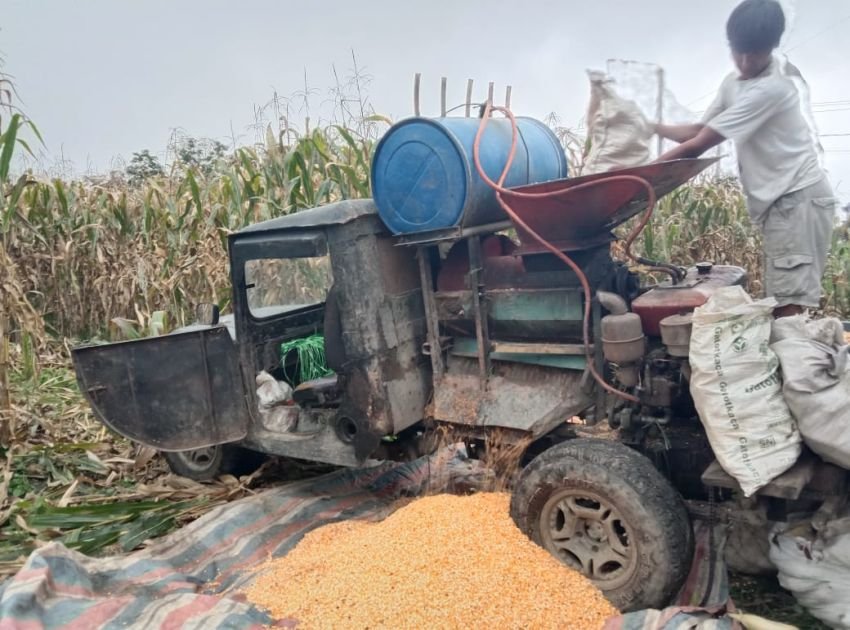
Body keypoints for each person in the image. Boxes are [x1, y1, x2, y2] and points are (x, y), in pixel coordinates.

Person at [654, 0, 838, 318]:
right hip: (780, 204)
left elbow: (698, 145)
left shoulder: (773, 88)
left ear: (772, 47)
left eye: (754, 53)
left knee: (787, 306)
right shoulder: (733, 84)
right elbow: (696, 130)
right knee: (780, 298)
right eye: (738, 51)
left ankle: (797, 363)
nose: (744, 61)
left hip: (797, 201)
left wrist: (635, 177)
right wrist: (649, 126)